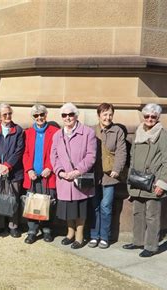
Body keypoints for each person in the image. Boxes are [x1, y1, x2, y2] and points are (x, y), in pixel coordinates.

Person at [123, 103, 167, 258]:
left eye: (153, 116)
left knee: (152, 216)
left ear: (158, 118)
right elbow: (132, 159)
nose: (150, 119)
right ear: (143, 116)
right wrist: (130, 182)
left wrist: (162, 183)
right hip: (137, 181)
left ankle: (151, 246)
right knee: (137, 213)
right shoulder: (138, 132)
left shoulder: (163, 135)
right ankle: (138, 241)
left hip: (153, 182)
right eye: (147, 116)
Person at [51, 103, 96, 249]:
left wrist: (77, 171)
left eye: (71, 114)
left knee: (80, 209)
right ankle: (70, 233)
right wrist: (60, 172)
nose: (68, 118)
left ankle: (80, 235)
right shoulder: (57, 135)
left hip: (79, 178)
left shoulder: (88, 132)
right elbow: (54, 156)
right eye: (64, 115)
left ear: (76, 116)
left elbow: (91, 156)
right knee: (68, 209)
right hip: (64, 179)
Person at [88, 103, 127, 249]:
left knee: (106, 206)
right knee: (94, 206)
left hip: (110, 175)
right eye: (104, 114)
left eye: (110, 114)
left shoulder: (117, 131)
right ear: (99, 115)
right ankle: (93, 235)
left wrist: (117, 169)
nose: (107, 117)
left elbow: (122, 152)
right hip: (93, 174)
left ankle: (104, 236)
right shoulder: (91, 130)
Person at [22, 104, 59, 244]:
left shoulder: (55, 131)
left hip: (47, 175)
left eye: (41, 114)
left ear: (46, 115)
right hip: (32, 175)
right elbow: (25, 153)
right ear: (33, 117)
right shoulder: (28, 132)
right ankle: (32, 230)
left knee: (48, 203)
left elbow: (57, 153)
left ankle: (47, 230)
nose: (39, 118)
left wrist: (50, 167)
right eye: (36, 115)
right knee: (31, 202)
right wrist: (29, 169)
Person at [0, 103, 25, 238]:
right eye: (5, 114)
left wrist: (8, 165)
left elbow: (19, 151)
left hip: (14, 171)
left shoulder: (18, 130)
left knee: (13, 197)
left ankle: (13, 226)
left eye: (9, 113)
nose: (8, 116)